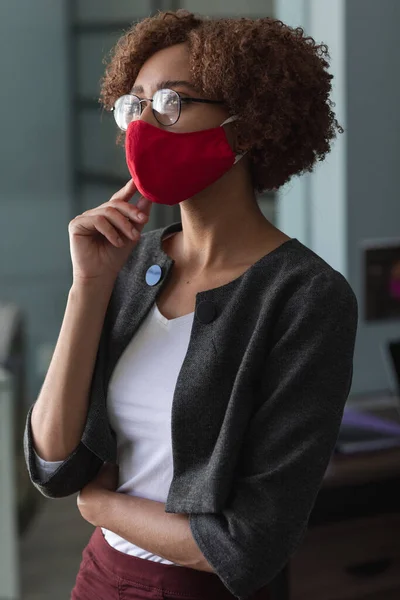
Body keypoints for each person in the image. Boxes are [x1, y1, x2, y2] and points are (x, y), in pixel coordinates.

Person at [23, 9, 358, 600]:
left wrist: (103, 505)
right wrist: (89, 286)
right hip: (100, 577)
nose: (143, 127)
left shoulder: (307, 297)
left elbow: (249, 545)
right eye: (135, 105)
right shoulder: (127, 261)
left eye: (172, 103)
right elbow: (54, 464)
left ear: (247, 125)